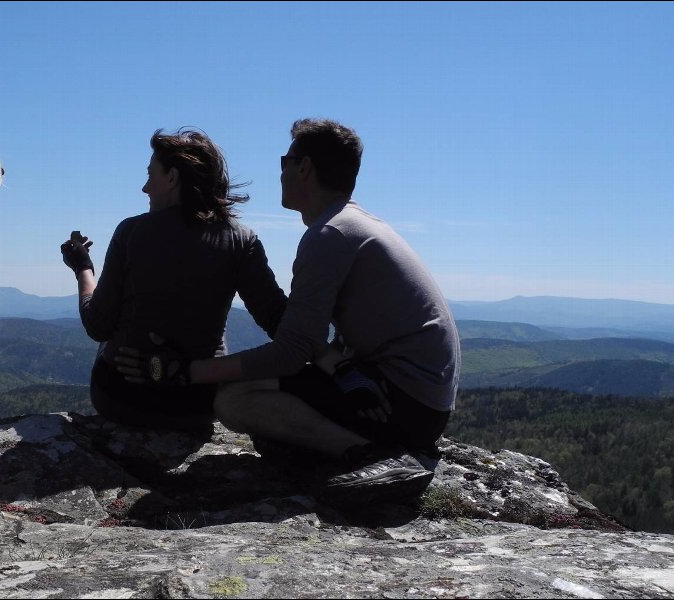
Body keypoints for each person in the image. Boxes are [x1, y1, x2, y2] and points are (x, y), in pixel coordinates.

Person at [115, 119, 460, 504]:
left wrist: (185, 372)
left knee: (233, 401)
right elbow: (303, 334)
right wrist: (338, 365)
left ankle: (373, 455)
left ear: (303, 167)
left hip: (401, 403)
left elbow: (290, 352)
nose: (280, 171)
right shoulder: (354, 226)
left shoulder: (330, 235)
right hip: (411, 396)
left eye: (285, 159)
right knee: (269, 415)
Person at [59, 128, 287, 431]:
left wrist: (82, 268)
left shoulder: (131, 232)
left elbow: (97, 324)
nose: (144, 188)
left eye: (151, 174)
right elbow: (280, 324)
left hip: (122, 398)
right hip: (197, 405)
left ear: (172, 178)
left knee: (111, 341)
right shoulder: (241, 240)